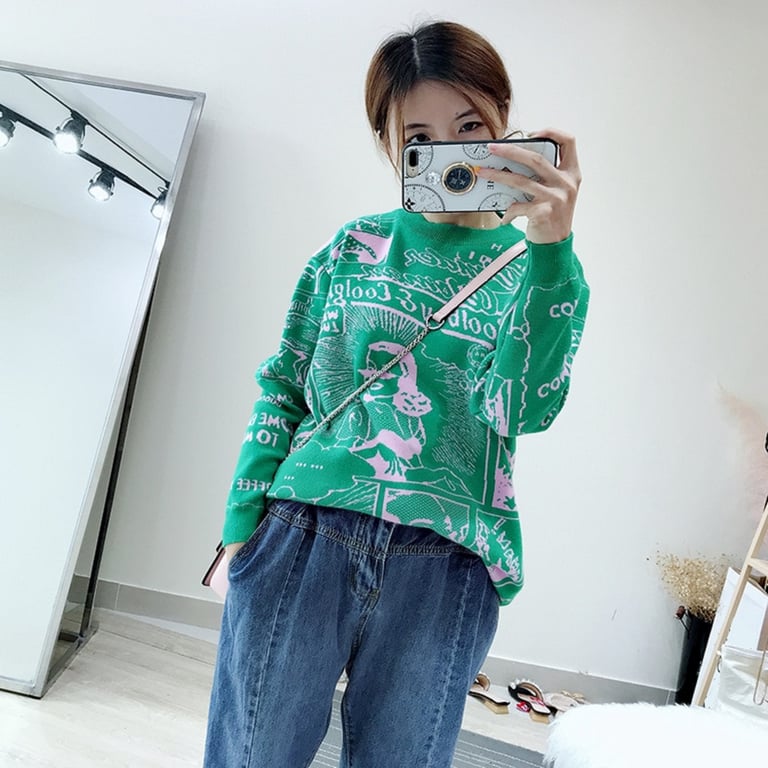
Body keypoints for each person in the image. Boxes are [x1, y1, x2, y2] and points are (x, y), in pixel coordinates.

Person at [204, 19, 589, 768]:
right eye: (419, 137)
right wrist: (240, 526)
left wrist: (552, 253)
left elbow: (520, 409)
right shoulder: (352, 248)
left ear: (505, 121)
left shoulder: (540, 270)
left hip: (446, 563)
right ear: (389, 145)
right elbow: (284, 384)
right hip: (304, 531)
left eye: (469, 126)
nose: (450, 151)